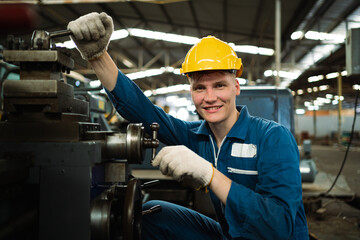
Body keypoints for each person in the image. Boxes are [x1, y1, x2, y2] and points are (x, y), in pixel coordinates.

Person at [68, 12, 309, 240]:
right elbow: (143, 112)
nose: (210, 97)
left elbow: (278, 227)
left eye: (220, 85)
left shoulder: (273, 138)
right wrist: (98, 57)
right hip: (229, 235)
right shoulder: (196, 136)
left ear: (236, 86)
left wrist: (210, 175)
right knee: (153, 213)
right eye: (200, 88)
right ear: (191, 92)